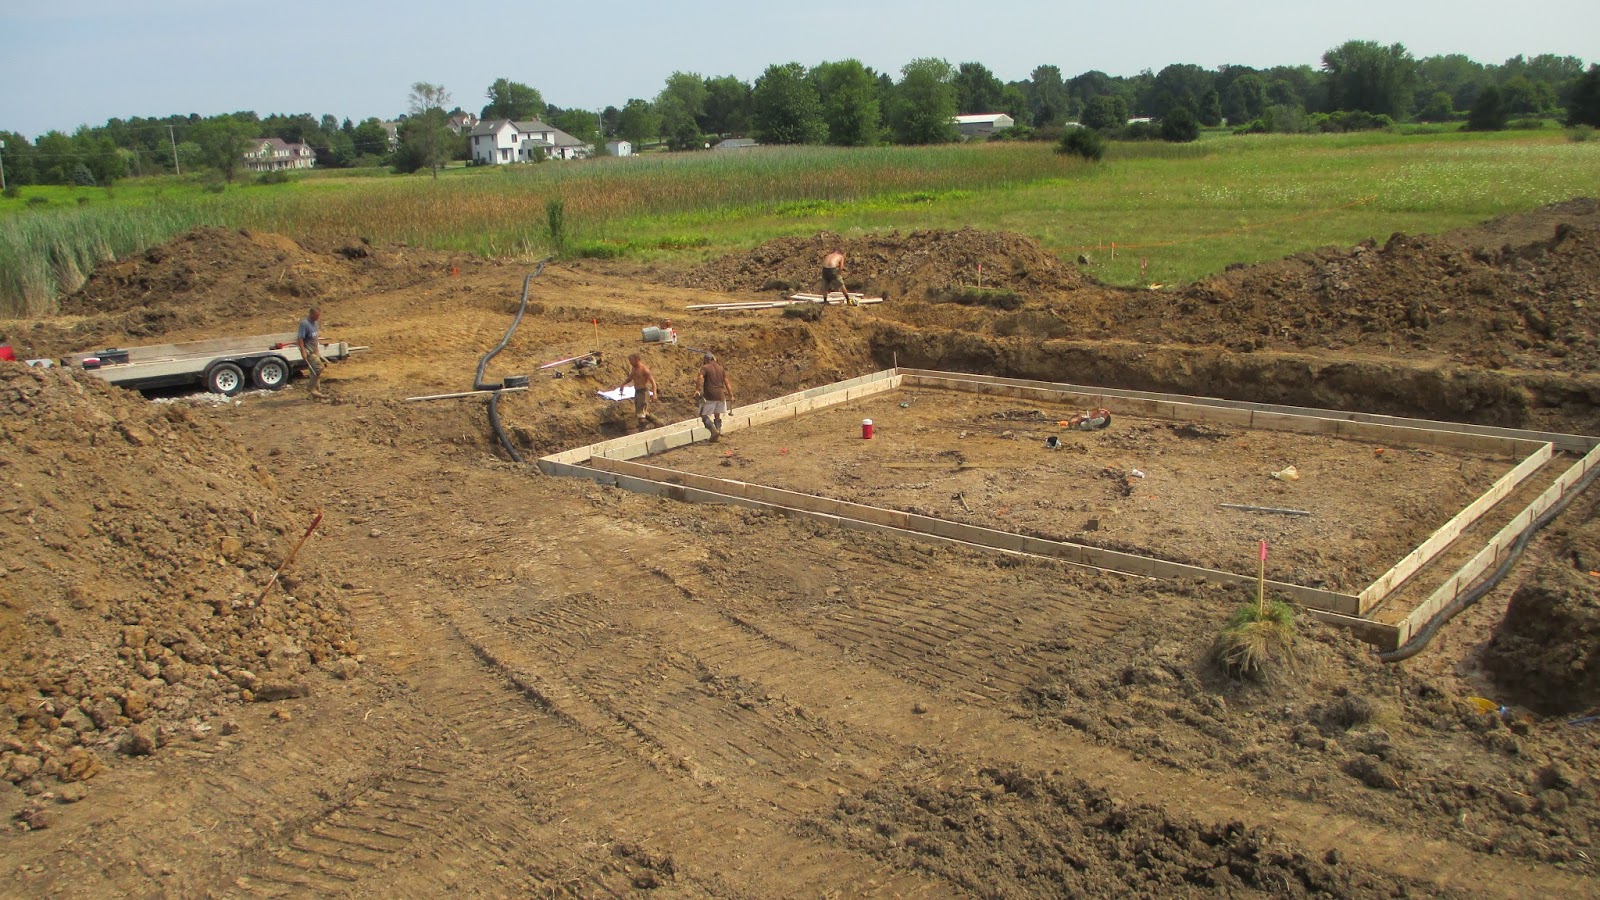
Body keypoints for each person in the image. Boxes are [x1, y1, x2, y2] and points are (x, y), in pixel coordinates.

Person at [617, 353, 661, 430]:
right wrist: (623, 385)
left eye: (631, 361)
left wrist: (654, 394)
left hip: (643, 393)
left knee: (641, 413)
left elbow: (653, 382)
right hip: (637, 392)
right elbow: (630, 377)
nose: (630, 363)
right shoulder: (634, 369)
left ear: (636, 360)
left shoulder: (644, 370)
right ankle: (658, 423)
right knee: (641, 411)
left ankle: (642, 430)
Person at [697, 352, 732, 441]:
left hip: (710, 395)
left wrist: (697, 389)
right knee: (717, 414)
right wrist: (731, 395)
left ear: (707, 360)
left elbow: (700, 377)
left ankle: (714, 431)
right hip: (721, 395)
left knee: (703, 414)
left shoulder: (705, 367)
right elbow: (727, 383)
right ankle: (718, 432)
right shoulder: (721, 368)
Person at [297, 307, 326, 399]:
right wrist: (303, 351)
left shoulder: (315, 323)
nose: (318, 317)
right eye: (316, 315)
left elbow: (314, 338)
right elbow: (300, 338)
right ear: (311, 314)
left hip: (315, 351)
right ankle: (311, 388)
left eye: (319, 315)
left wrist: (317, 350)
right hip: (309, 352)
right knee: (319, 367)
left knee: (315, 372)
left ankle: (316, 394)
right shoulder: (304, 324)